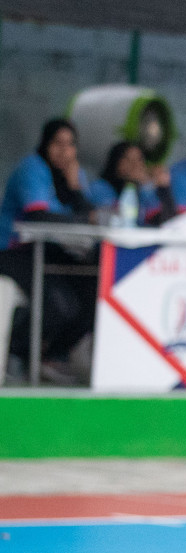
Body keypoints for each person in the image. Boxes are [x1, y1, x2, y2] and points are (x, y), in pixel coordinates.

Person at [0, 119, 99, 376]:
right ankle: (16, 351)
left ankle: (53, 355)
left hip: (52, 251)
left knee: (95, 291)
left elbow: (90, 217)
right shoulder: (32, 169)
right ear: (45, 143)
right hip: (15, 250)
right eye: (57, 143)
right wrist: (80, 219)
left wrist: (76, 188)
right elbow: (37, 216)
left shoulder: (74, 175)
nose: (64, 151)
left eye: (70, 145)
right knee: (59, 303)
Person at [88, 141, 174, 227]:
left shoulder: (144, 188)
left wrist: (160, 188)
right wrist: (134, 184)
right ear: (116, 162)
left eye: (139, 159)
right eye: (128, 159)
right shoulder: (99, 186)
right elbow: (116, 217)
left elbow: (158, 217)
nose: (135, 165)